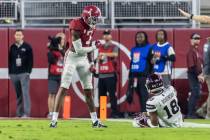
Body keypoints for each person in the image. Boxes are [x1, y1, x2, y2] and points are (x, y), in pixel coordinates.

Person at [50, 5, 107, 128]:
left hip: (84, 59)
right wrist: (94, 47)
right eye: (93, 18)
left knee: (88, 90)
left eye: (96, 18)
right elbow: (79, 49)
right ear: (86, 17)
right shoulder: (76, 25)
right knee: (64, 87)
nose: (95, 21)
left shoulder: (92, 26)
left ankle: (95, 121)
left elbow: (87, 44)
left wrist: (91, 62)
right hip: (72, 57)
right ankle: (54, 120)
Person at [9, 29, 33, 118]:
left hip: (24, 73)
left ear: (23, 36)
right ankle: (19, 114)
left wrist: (28, 72)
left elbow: (31, 60)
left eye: (20, 35)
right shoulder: (12, 47)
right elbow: (10, 60)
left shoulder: (27, 47)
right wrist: (10, 72)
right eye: (16, 35)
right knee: (18, 94)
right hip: (14, 74)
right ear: (14, 36)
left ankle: (26, 113)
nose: (18, 36)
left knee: (25, 93)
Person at [126, 31, 153, 112]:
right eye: (138, 37)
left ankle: (146, 112)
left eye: (141, 37)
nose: (139, 39)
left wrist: (150, 75)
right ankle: (143, 111)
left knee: (144, 94)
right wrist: (130, 75)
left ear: (145, 38)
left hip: (144, 76)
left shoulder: (150, 47)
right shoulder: (134, 49)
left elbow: (152, 63)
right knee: (139, 94)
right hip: (134, 76)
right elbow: (132, 62)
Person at [96, 29, 120, 118]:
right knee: (101, 95)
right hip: (102, 74)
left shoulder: (114, 46)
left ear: (111, 36)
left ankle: (114, 113)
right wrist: (99, 58)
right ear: (103, 36)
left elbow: (115, 54)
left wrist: (104, 54)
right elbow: (98, 59)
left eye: (108, 34)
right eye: (104, 34)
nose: (106, 36)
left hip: (110, 74)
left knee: (112, 95)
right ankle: (102, 113)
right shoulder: (101, 47)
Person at [47, 33, 66, 118]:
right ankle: (51, 113)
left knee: (62, 95)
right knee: (52, 94)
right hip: (53, 74)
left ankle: (63, 113)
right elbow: (51, 60)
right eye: (60, 39)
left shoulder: (65, 49)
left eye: (63, 39)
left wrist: (61, 49)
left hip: (63, 75)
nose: (62, 41)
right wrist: (52, 47)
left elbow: (67, 58)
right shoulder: (51, 50)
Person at [186, 33, 204, 119]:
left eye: (198, 38)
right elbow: (192, 66)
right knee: (195, 93)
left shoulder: (198, 51)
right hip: (193, 74)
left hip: (197, 74)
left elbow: (200, 64)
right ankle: (190, 113)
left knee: (197, 94)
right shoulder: (191, 51)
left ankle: (193, 112)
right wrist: (198, 75)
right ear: (191, 40)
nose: (197, 40)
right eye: (195, 38)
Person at [196, 37, 210, 119]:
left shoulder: (207, 44)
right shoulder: (208, 45)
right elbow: (207, 61)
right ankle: (208, 114)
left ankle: (201, 110)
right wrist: (205, 73)